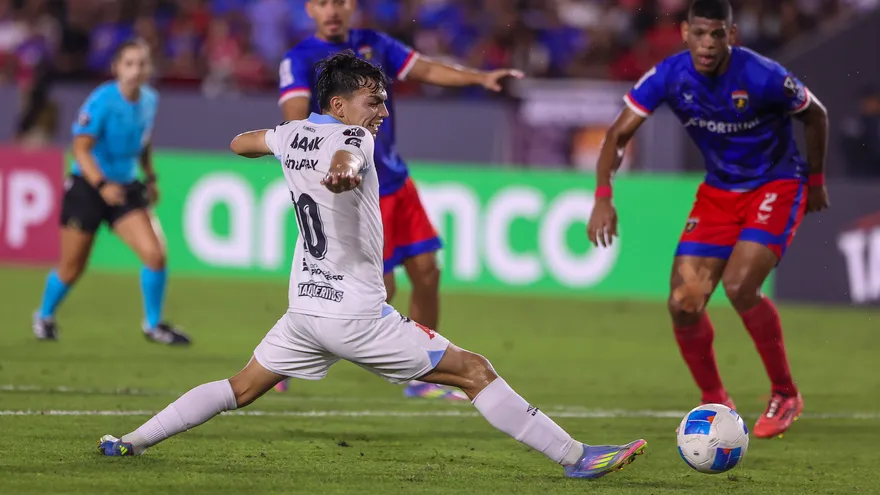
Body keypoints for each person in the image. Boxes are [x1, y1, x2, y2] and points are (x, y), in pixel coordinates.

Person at [97, 52, 646, 480]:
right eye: (372, 101)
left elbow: (241, 142)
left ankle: (132, 441)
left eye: (383, 102)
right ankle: (575, 455)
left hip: (304, 311)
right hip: (357, 317)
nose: (382, 112)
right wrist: (341, 167)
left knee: (240, 388)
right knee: (474, 372)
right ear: (340, 106)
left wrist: (288, 147)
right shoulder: (353, 138)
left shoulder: (291, 135)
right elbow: (349, 156)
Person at [586, 0, 830, 439]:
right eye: (700, 33)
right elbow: (617, 135)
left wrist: (814, 181)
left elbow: (816, 115)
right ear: (685, 33)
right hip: (718, 193)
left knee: (739, 287)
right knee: (683, 303)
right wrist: (604, 195)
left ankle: (785, 392)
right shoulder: (668, 76)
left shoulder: (763, 75)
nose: (708, 43)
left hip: (775, 185)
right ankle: (715, 397)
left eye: (717, 34)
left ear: (731, 36)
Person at [275, 0, 523, 399]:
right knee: (378, 293)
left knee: (427, 270)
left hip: (396, 179)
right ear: (310, 9)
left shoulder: (374, 44)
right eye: (323, 3)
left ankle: (421, 381)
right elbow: (294, 118)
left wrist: (479, 77)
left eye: (340, 2)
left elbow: (424, 68)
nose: (333, 10)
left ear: (351, 6)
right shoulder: (300, 58)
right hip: (359, 188)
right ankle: (288, 357)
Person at [32, 40, 190, 345]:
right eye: (129, 64)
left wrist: (151, 176)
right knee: (72, 266)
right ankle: (44, 315)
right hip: (88, 188)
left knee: (155, 254)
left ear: (149, 69)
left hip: (125, 188)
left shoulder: (150, 100)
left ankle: (154, 325)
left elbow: (143, 141)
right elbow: (80, 148)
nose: (135, 70)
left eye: (142, 64)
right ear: (116, 68)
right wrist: (102, 185)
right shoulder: (102, 100)